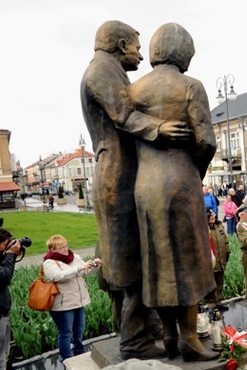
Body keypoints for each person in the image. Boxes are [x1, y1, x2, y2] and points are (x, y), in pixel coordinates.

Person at [81, 20, 190, 360]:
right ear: (121, 44)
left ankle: (150, 329)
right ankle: (134, 341)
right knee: (131, 267)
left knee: (140, 261)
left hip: (124, 174)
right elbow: (124, 114)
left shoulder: (109, 68)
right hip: (118, 176)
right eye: (137, 47)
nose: (141, 55)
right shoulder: (101, 69)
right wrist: (161, 129)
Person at [128, 23, 218, 362]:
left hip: (145, 185)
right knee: (190, 259)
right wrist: (196, 171)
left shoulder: (134, 91)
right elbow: (206, 140)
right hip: (181, 181)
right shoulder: (190, 86)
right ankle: (190, 337)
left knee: (158, 261)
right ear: (183, 52)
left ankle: (168, 333)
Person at [43, 235, 101, 362]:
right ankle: (67, 358)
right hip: (62, 304)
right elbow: (58, 276)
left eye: (65, 246)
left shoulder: (74, 257)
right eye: (61, 247)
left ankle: (79, 352)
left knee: (79, 330)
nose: (65, 249)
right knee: (66, 333)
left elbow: (85, 272)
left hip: (78, 300)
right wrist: (78, 268)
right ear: (52, 249)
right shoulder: (49, 262)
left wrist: (95, 265)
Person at [0, 230, 22, 370]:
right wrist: (10, 254)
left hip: (2, 312)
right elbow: (4, 277)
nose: (5, 246)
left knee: (4, 353)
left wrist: (12, 256)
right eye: (3, 244)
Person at [205, 208, 230, 312]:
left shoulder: (219, 226)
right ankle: (211, 304)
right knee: (211, 284)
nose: (213, 217)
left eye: (214, 215)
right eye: (210, 216)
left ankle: (219, 302)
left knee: (219, 282)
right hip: (210, 262)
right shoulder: (204, 228)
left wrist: (227, 253)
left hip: (221, 261)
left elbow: (225, 241)